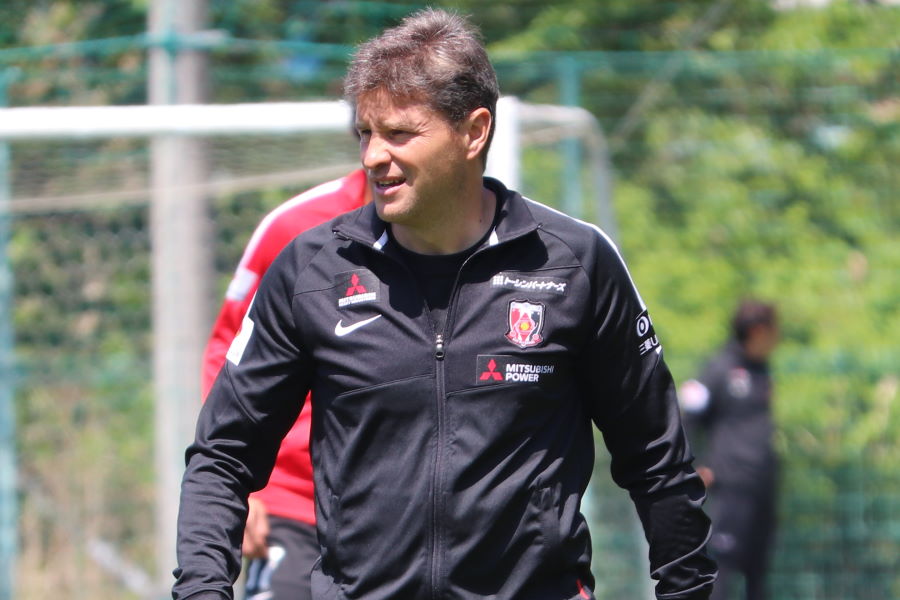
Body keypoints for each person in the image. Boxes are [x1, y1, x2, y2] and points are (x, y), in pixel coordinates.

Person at [173, 9, 717, 600]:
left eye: (399, 134)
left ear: (474, 132)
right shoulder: (313, 271)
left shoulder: (574, 264)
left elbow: (657, 460)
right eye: (365, 133)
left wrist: (688, 593)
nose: (372, 156)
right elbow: (222, 455)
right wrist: (202, 591)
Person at [201, 169, 370, 600]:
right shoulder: (295, 224)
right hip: (291, 503)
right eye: (371, 136)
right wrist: (245, 489)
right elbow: (231, 346)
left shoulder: (482, 235)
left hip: (402, 517)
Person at [679, 300, 780, 600]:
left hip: (762, 483)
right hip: (732, 483)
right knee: (724, 565)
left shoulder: (762, 368)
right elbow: (687, 417)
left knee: (758, 569)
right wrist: (695, 464)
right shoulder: (719, 367)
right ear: (758, 330)